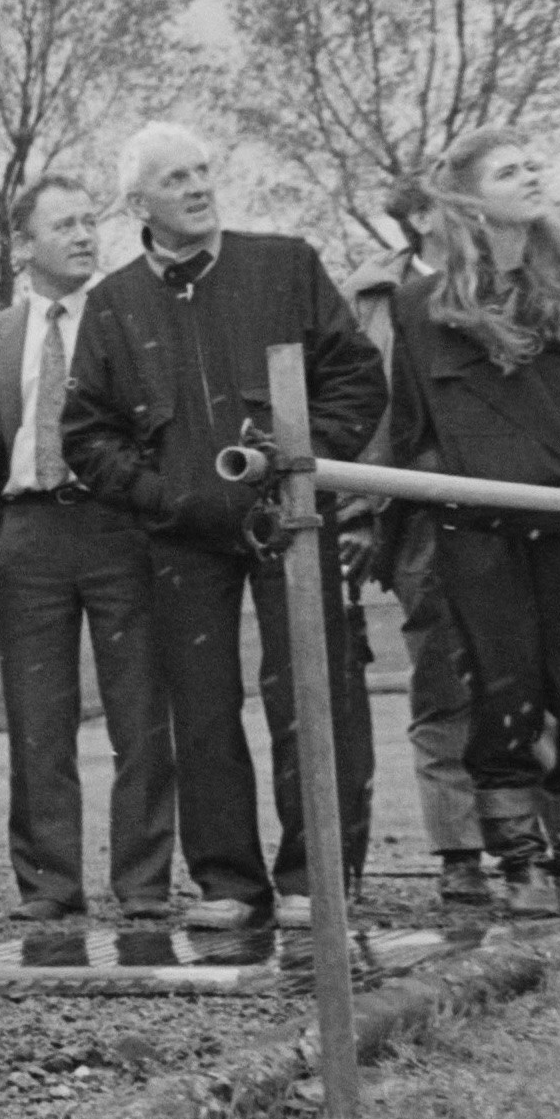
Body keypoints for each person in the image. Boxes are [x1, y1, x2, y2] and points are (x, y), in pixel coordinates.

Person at [66, 124, 382, 931]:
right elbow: (86, 435)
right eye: (175, 179)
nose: (198, 187)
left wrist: (302, 459)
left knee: (313, 694)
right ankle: (228, 885)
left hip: (293, 519)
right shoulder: (112, 304)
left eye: (203, 171)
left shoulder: (284, 265)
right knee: (201, 710)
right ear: (138, 203)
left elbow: (354, 378)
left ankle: (321, 876)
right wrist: (161, 495)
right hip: (180, 538)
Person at [381, 127, 560, 914]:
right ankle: (518, 861)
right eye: (510, 169)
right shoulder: (420, 309)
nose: (533, 173)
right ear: (469, 198)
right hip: (478, 533)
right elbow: (414, 430)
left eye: (535, 162)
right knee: (502, 698)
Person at [0, 176, 176, 923]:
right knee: (36, 719)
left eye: (90, 222)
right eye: (64, 225)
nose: (84, 235)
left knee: (138, 711)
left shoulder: (131, 319)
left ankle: (144, 883)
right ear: (24, 244)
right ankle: (48, 884)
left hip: (117, 529)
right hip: (25, 536)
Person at [346, 182, 489, 907]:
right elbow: (361, 408)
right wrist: (358, 516)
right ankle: (459, 851)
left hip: (513, 505)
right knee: (438, 680)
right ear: (423, 219)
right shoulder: (372, 298)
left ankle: (546, 848)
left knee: (538, 674)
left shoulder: (517, 284)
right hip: (419, 514)